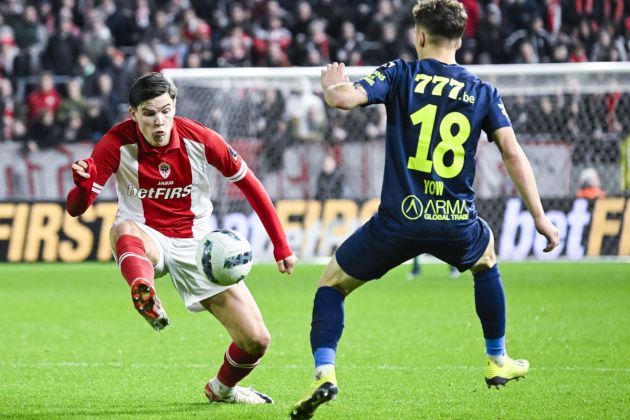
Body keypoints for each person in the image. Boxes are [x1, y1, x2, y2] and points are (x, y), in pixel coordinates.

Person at [290, 1, 559, 418]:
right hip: (455, 222)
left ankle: (325, 372)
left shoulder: (400, 73)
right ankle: (497, 358)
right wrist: (539, 216)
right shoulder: (482, 91)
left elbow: (344, 99)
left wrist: (331, 84)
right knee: (485, 261)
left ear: (419, 36)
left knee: (331, 285)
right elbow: (512, 152)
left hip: (397, 221)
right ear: (461, 38)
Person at [65, 72, 297, 405]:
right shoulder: (116, 143)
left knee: (256, 340)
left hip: (199, 248)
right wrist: (83, 186)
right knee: (122, 228)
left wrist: (281, 245)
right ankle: (143, 290)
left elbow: (250, 184)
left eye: (165, 110)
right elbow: (76, 209)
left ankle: (222, 390)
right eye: (149, 113)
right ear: (133, 113)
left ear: (174, 105)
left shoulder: (201, 139)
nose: (159, 121)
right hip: (147, 238)